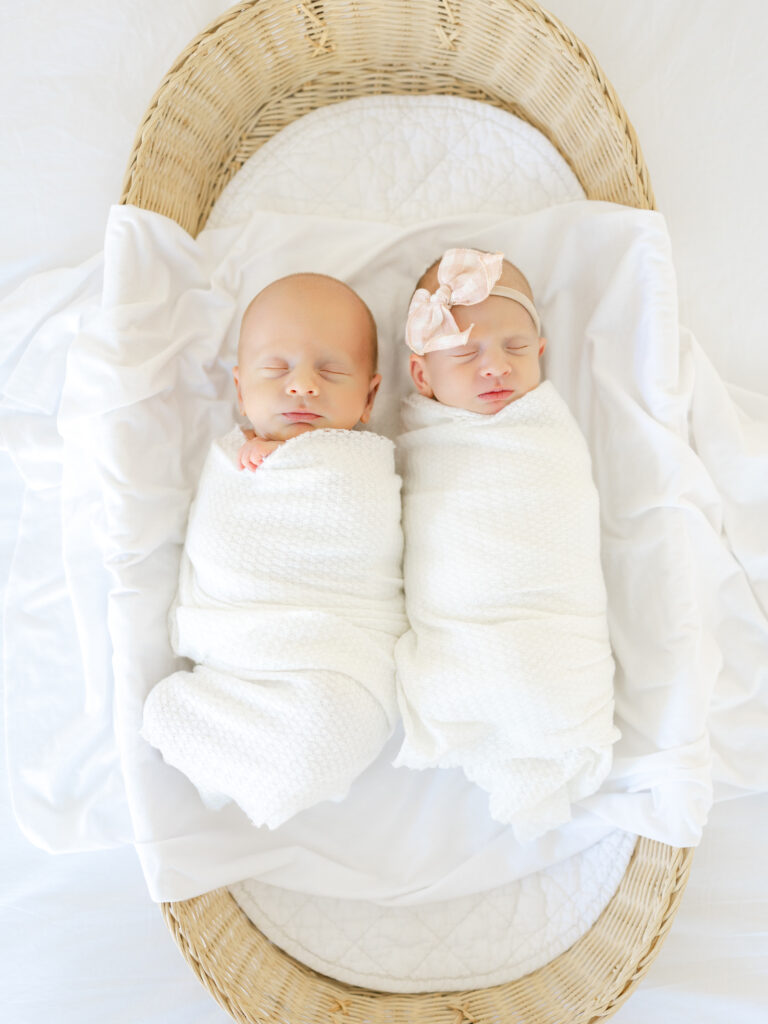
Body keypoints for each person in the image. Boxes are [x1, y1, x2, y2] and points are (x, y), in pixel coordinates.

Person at [142, 273, 406, 830]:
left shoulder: (366, 465)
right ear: (241, 389)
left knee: (324, 723)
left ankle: (268, 765)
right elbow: (218, 540)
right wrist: (256, 460)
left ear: (370, 396)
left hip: (338, 660)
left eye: (331, 371)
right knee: (164, 711)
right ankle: (247, 760)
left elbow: (372, 548)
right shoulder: (231, 461)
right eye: (276, 369)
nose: (303, 386)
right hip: (240, 652)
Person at [393, 247, 619, 840]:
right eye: (466, 353)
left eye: (516, 349)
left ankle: (553, 731)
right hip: (460, 626)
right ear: (423, 377)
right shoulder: (424, 443)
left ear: (540, 353)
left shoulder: (547, 433)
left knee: (548, 682)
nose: (496, 367)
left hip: (551, 623)